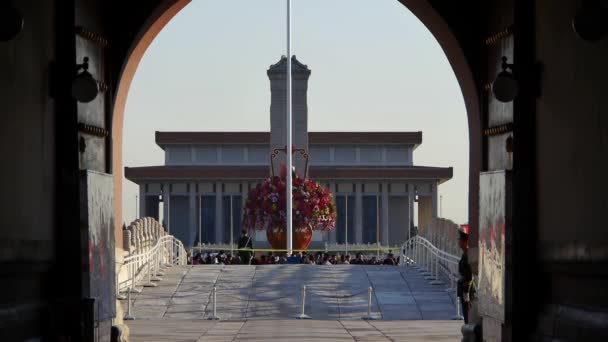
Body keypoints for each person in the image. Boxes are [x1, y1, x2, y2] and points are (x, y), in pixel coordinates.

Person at [457, 225, 475, 324]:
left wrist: (466, 292)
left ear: (465, 242)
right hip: (464, 289)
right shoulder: (464, 254)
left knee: (468, 316)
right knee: (466, 315)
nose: (458, 242)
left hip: (467, 290)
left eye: (460, 240)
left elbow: (470, 274)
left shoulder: (468, 255)